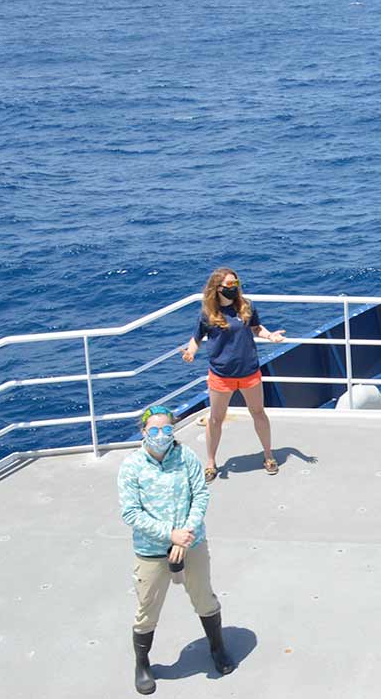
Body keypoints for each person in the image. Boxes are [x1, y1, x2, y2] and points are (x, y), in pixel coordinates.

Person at [119, 406, 236, 694]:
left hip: (191, 543)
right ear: (144, 432)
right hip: (152, 550)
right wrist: (170, 535)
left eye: (167, 430)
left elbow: (200, 495)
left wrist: (185, 536)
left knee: (204, 598)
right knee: (147, 610)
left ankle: (217, 648)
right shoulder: (132, 466)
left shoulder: (186, 458)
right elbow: (131, 513)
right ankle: (142, 664)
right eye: (154, 431)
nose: (161, 436)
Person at [181, 268, 285, 479]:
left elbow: (256, 328)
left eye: (235, 283)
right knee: (215, 419)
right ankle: (211, 462)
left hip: (249, 372)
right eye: (229, 285)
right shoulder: (208, 314)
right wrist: (191, 352)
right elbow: (197, 338)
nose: (233, 288)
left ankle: (268, 455)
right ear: (217, 288)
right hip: (221, 375)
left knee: (258, 413)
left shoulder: (246, 306)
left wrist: (270, 336)